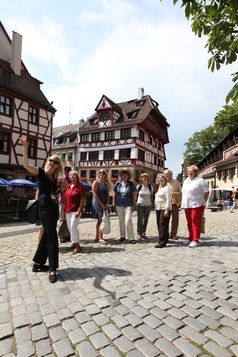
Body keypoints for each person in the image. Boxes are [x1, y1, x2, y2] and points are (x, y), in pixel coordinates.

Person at [19, 137, 63, 283]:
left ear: (58, 166)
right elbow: (26, 165)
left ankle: (37, 263)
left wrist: (59, 190)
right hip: (45, 208)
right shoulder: (42, 173)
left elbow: (54, 194)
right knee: (52, 236)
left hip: (53, 209)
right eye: (51, 160)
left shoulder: (53, 179)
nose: (52, 163)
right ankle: (52, 268)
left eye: (55, 162)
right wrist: (25, 148)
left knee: (46, 236)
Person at [181, 165, 209, 248]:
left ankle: (196, 239)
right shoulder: (186, 180)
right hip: (187, 204)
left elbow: (206, 192)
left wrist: (204, 203)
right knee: (189, 222)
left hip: (197, 204)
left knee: (195, 222)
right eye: (189, 171)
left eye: (192, 171)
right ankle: (190, 238)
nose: (190, 173)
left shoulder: (200, 181)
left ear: (196, 172)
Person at [64, 171, 86, 253]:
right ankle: (73, 243)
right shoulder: (69, 186)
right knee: (70, 228)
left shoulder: (80, 186)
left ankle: (78, 246)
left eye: (73, 175)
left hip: (75, 210)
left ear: (77, 176)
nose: (71, 176)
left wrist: (79, 210)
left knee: (74, 227)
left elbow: (82, 199)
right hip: (67, 210)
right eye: (70, 175)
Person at [114, 169, 137, 244]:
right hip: (119, 204)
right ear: (121, 176)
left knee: (128, 220)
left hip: (128, 205)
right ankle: (122, 236)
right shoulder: (118, 183)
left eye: (126, 175)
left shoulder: (131, 184)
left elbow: (134, 195)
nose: (124, 176)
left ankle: (131, 238)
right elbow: (115, 194)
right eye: (123, 175)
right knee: (121, 221)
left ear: (128, 176)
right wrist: (114, 204)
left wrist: (134, 204)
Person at [92, 169, 110, 244]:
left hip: (104, 202)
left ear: (105, 174)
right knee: (101, 219)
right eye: (100, 172)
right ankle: (100, 237)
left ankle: (97, 237)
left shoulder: (106, 184)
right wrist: (101, 204)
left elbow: (108, 194)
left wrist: (107, 203)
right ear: (98, 174)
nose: (102, 173)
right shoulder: (96, 182)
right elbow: (94, 194)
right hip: (97, 202)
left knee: (100, 220)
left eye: (103, 172)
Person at [154, 174, 172, 248]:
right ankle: (164, 238)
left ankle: (162, 242)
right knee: (160, 224)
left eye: (162, 179)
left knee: (163, 225)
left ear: (165, 180)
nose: (160, 181)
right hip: (158, 208)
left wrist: (166, 209)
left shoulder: (167, 188)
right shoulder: (160, 187)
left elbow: (168, 199)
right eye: (159, 179)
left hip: (164, 208)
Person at [163, 169, 182, 240]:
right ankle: (165, 234)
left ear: (171, 174)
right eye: (165, 174)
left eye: (167, 174)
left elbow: (180, 193)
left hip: (174, 203)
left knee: (175, 219)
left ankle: (173, 234)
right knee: (165, 219)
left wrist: (179, 202)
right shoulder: (162, 182)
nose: (166, 176)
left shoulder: (177, 182)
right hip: (165, 204)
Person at [136, 173, 153, 240]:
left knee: (146, 220)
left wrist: (151, 203)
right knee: (140, 219)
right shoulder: (138, 187)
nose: (144, 178)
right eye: (143, 177)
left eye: (145, 177)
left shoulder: (150, 187)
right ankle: (139, 233)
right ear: (141, 179)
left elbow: (151, 195)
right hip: (140, 204)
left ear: (147, 179)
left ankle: (143, 233)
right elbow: (136, 195)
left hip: (148, 205)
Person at [58, 166, 71, 243]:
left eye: (68, 171)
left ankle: (67, 235)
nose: (66, 172)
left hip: (70, 202)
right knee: (61, 219)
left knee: (68, 220)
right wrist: (62, 189)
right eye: (65, 171)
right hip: (62, 201)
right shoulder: (60, 179)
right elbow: (57, 190)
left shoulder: (71, 180)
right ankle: (60, 236)